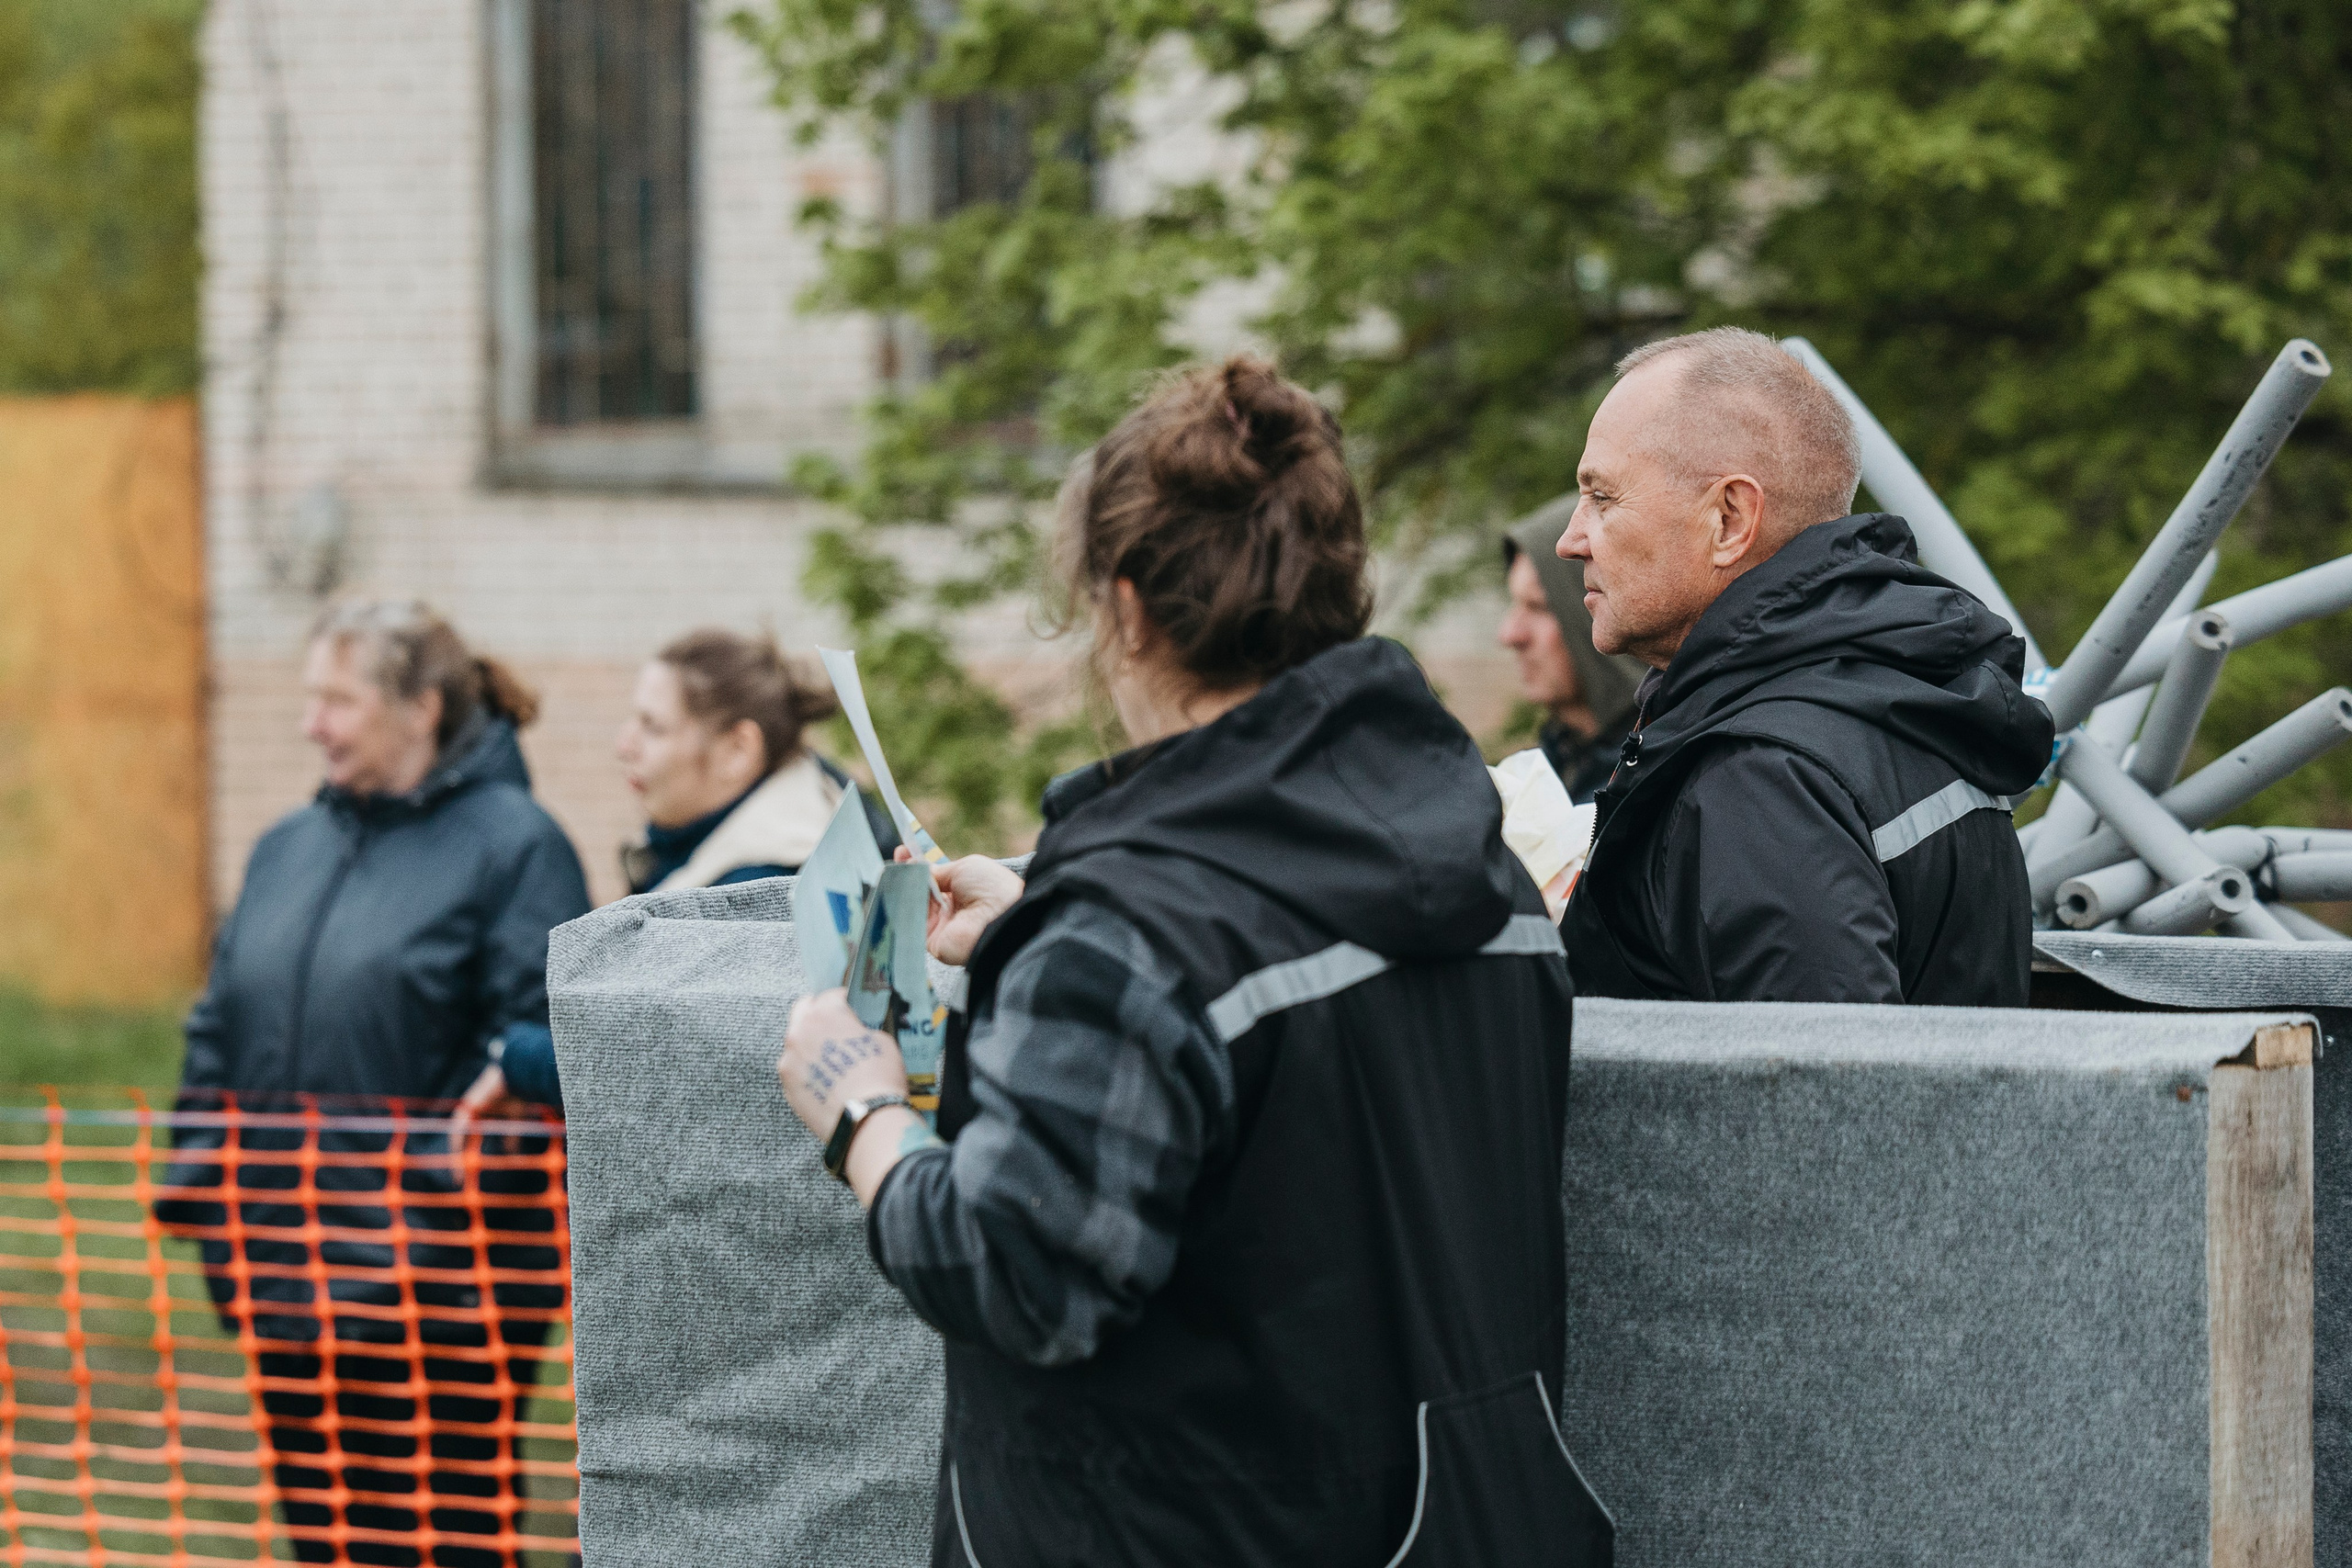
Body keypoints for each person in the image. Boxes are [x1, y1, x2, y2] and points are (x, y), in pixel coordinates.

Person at [776, 357, 1611, 1566]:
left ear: (1126, 606)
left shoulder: (1128, 934)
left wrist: (856, 1107)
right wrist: (1039, 926)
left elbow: (1018, 1263)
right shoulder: (1474, 860)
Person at [168, 600, 592, 1566]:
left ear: (421, 709)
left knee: (438, 1545)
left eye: (337, 701)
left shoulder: (518, 847)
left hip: (439, 1299)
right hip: (285, 1270)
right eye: (310, 699)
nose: (310, 724)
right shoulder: (287, 847)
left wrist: (436, 1208)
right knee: (323, 1539)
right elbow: (216, 1022)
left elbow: (545, 1047)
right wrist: (205, 1184)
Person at [1555, 326, 2053, 1005]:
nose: (1570, 539)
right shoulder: (1902, 694)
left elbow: (1818, 1096)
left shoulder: (1762, 780)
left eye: (1603, 498)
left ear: (1730, 518)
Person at [462, 627, 896, 1118]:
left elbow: (661, 1063)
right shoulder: (771, 842)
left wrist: (517, 1057)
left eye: (653, 727)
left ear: (737, 749)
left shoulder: (761, 892)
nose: (624, 744)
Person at [1498, 496, 1647, 800]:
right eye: (1514, 605)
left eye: (1538, 607)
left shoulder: (1658, 784)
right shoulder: (1541, 778)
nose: (1510, 635)